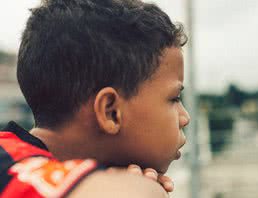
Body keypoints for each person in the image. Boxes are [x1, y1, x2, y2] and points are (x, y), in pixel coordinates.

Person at [0, 0, 190, 197]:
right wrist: (145, 190)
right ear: (111, 111)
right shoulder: (7, 163)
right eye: (174, 98)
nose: (185, 117)